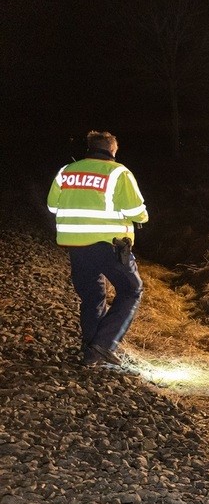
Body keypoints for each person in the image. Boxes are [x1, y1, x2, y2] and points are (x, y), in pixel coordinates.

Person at [46, 131, 149, 366]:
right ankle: (104, 345)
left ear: (90, 148)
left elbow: (52, 206)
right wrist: (143, 216)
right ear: (113, 150)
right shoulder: (118, 172)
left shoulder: (66, 171)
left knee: (92, 296)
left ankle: (90, 350)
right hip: (109, 244)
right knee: (132, 290)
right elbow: (136, 211)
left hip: (75, 244)